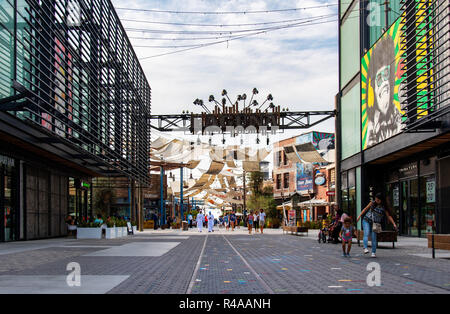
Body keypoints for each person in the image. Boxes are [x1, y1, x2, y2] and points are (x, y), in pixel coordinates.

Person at [357, 193, 397, 258]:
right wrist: (359, 216)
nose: (376, 200)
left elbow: (388, 216)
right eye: (375, 199)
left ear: (381, 200)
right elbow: (365, 209)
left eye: (378, 200)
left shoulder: (384, 207)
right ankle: (365, 248)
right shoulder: (372, 203)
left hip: (375, 223)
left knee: (374, 237)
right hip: (366, 220)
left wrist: (394, 224)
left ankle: (373, 252)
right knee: (366, 233)